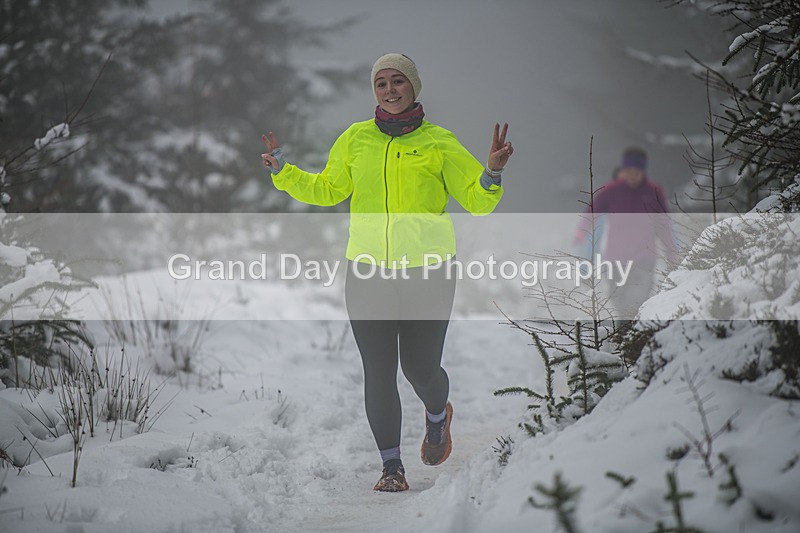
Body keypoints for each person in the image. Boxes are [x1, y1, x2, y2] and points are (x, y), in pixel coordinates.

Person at [260, 53, 513, 492]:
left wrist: (491, 171)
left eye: (398, 81)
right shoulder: (356, 139)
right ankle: (391, 467)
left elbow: (476, 199)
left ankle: (438, 415)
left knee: (421, 369)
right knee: (378, 370)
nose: (390, 90)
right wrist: (284, 173)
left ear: (413, 87)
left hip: (428, 273)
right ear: (374, 90)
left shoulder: (439, 142)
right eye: (381, 83)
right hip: (368, 271)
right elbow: (328, 188)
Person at [574, 147, 679, 319]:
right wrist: (581, 232)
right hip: (616, 259)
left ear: (643, 170)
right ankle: (626, 337)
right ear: (623, 170)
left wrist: (672, 252)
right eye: (629, 170)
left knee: (636, 301)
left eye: (636, 170)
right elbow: (591, 212)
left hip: (644, 257)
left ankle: (632, 337)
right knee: (619, 302)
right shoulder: (611, 191)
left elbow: (664, 225)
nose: (632, 175)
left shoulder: (654, 192)